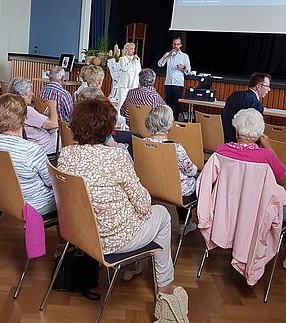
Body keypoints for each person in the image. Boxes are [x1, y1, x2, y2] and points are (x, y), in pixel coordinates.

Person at [56, 99, 189, 317]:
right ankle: (164, 285)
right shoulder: (116, 157)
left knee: (136, 210)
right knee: (162, 214)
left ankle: (135, 266)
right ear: (109, 130)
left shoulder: (66, 154)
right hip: (112, 242)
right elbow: (144, 204)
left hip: (80, 234)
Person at [215, 108, 286, 270]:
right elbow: (284, 179)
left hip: (230, 209)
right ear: (258, 134)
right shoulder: (266, 156)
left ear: (236, 132)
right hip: (259, 212)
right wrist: (268, 146)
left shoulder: (222, 151)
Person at [0, 94, 57, 215]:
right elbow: (51, 183)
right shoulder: (32, 150)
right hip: (36, 204)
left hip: (6, 200)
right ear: (24, 118)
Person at [144, 105, 198, 235]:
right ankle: (185, 224)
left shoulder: (142, 143)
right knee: (195, 183)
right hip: (176, 192)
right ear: (169, 125)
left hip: (152, 187)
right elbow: (191, 171)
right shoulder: (176, 148)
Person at [8, 77, 59, 154]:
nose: (33, 94)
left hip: (32, 143)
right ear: (22, 95)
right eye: (30, 91)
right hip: (46, 146)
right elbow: (55, 124)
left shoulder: (9, 107)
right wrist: (53, 107)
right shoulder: (27, 110)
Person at [222, 72, 271, 143]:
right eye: (268, 86)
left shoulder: (234, 95)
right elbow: (255, 133)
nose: (269, 90)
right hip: (244, 146)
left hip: (227, 140)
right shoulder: (256, 104)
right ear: (259, 87)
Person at [157, 37, 191, 119]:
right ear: (172, 45)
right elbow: (160, 64)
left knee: (177, 105)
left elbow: (189, 71)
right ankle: (167, 121)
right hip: (168, 83)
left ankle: (175, 121)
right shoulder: (168, 54)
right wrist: (168, 56)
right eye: (174, 44)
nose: (176, 46)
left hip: (178, 84)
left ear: (181, 45)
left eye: (178, 44)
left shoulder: (184, 56)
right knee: (168, 104)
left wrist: (183, 67)